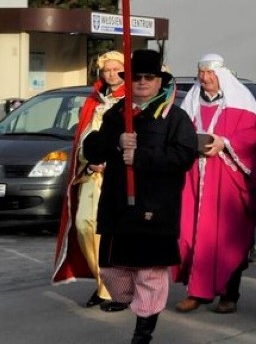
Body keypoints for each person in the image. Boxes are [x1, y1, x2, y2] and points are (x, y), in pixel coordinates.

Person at [82, 49, 197, 344]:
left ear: (160, 81)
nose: (143, 82)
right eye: (136, 77)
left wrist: (141, 156)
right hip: (118, 205)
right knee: (111, 270)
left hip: (154, 206)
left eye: (149, 77)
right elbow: (92, 150)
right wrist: (116, 141)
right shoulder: (116, 114)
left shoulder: (175, 117)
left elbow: (183, 156)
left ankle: (143, 332)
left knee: (149, 273)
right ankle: (139, 305)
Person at [173, 54, 256, 314]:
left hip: (227, 178)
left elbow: (251, 136)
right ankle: (197, 292)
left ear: (221, 74)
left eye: (210, 73)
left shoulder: (241, 100)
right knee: (194, 233)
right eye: (201, 73)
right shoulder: (192, 101)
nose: (205, 78)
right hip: (196, 177)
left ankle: (229, 294)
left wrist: (225, 144)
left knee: (227, 236)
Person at [53, 51, 128, 312]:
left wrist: (111, 163)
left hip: (115, 178)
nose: (110, 74)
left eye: (116, 69)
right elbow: (82, 138)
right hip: (90, 174)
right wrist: (89, 159)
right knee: (85, 227)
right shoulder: (93, 101)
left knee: (112, 233)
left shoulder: (132, 101)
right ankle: (102, 284)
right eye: (106, 70)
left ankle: (114, 289)